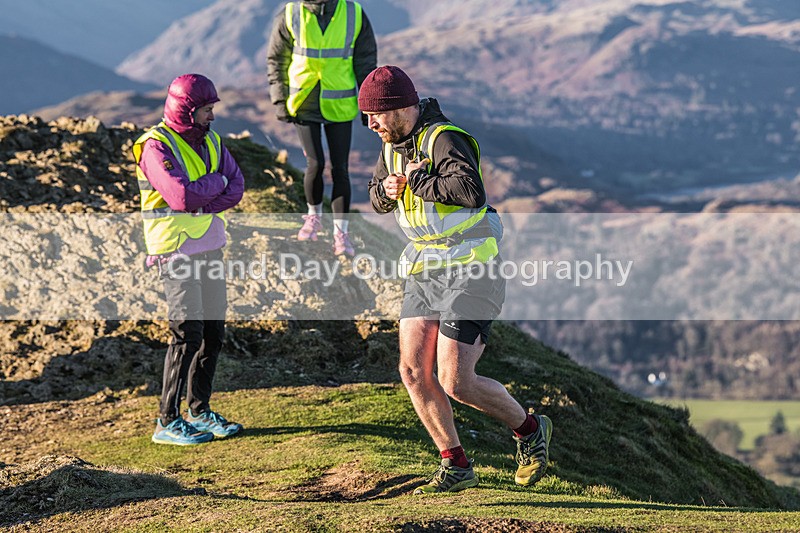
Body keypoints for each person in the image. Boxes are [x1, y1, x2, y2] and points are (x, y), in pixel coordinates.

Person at [359, 66, 553, 493]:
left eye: (375, 115)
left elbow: (471, 192)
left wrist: (417, 181)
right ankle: (456, 464)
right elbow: (375, 197)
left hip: (471, 267)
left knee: (456, 381)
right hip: (424, 268)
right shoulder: (391, 145)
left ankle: (529, 429)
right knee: (412, 370)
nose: (370, 125)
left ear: (400, 108)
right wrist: (387, 192)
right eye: (365, 118)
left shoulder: (444, 139)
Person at [133, 73, 245, 445]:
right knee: (186, 335)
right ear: (186, 110)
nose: (212, 116)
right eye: (207, 110)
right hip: (175, 248)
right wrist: (217, 184)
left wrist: (206, 194)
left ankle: (199, 410)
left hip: (211, 245)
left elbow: (238, 185)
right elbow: (180, 197)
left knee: (212, 334)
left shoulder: (211, 140)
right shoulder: (155, 147)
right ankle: (167, 420)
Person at [267, 0, 377, 256]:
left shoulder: (353, 13)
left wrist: (369, 103)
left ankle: (341, 234)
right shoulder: (291, 13)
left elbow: (365, 61)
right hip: (303, 101)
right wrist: (280, 99)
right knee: (315, 164)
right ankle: (313, 217)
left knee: (341, 168)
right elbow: (277, 58)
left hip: (340, 103)